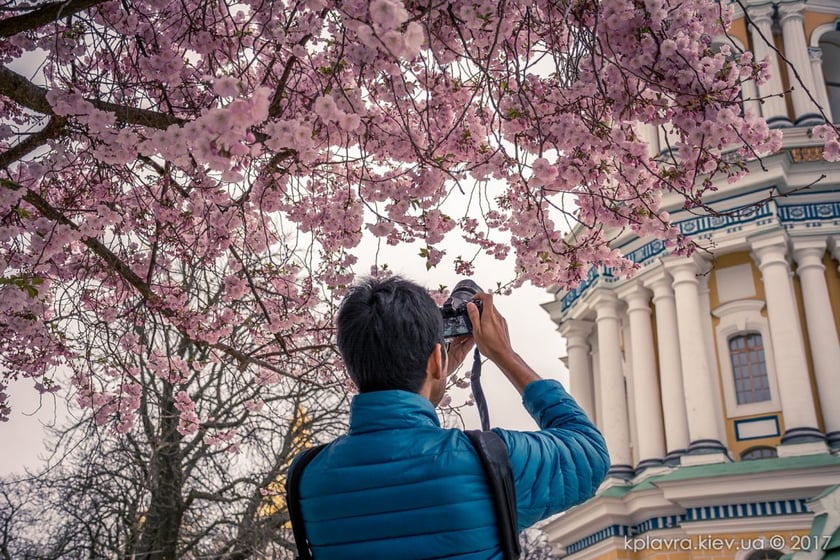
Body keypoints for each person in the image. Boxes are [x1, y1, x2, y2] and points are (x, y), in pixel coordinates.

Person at [293, 276, 609, 559]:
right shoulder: (486, 460)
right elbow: (590, 453)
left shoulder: (308, 476)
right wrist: (504, 354)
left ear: (351, 366)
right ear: (435, 358)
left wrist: (432, 375)